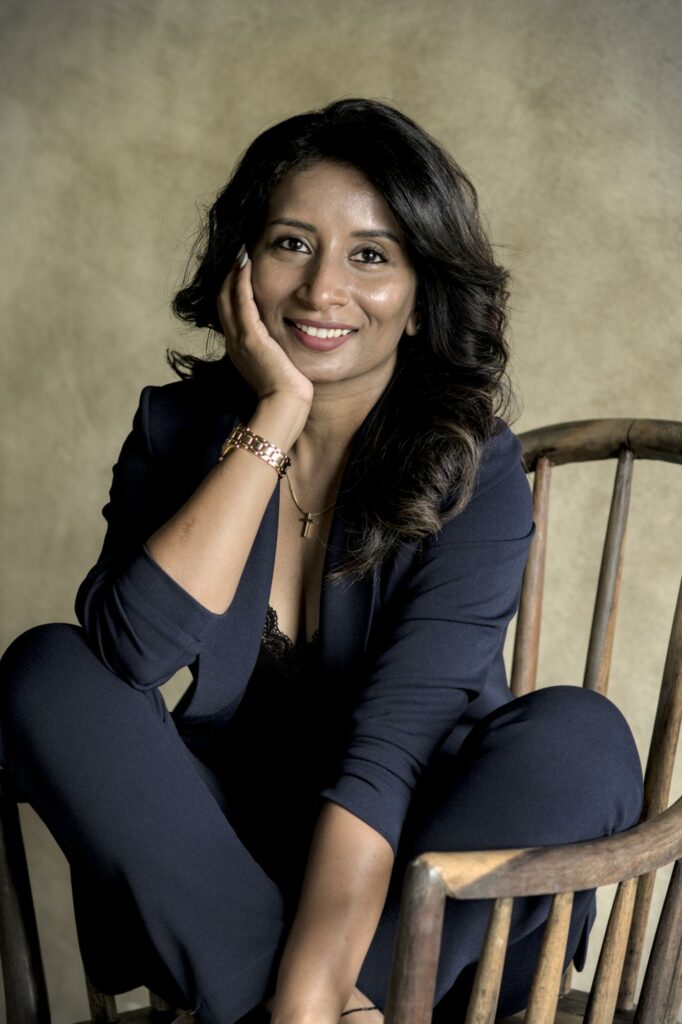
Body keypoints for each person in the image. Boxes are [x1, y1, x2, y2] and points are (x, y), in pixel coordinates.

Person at [0, 98, 643, 1024]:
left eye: (371, 255)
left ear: (422, 299)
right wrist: (273, 420)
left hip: (416, 875)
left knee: (579, 735)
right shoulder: (178, 432)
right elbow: (131, 656)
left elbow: (387, 761)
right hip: (229, 878)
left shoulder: (477, 471)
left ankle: (310, 1007)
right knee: (49, 671)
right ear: (241, 267)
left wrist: (307, 1001)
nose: (321, 290)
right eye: (291, 244)